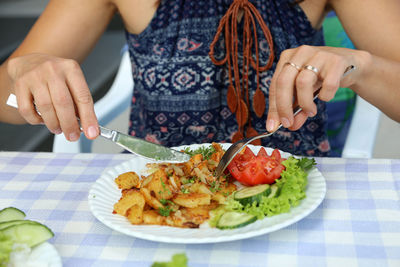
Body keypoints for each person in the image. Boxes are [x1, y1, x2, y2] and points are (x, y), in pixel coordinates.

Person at [0, 0, 399, 157]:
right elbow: (6, 104)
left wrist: (362, 66)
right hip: (156, 205)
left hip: (294, 202)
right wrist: (24, 69)